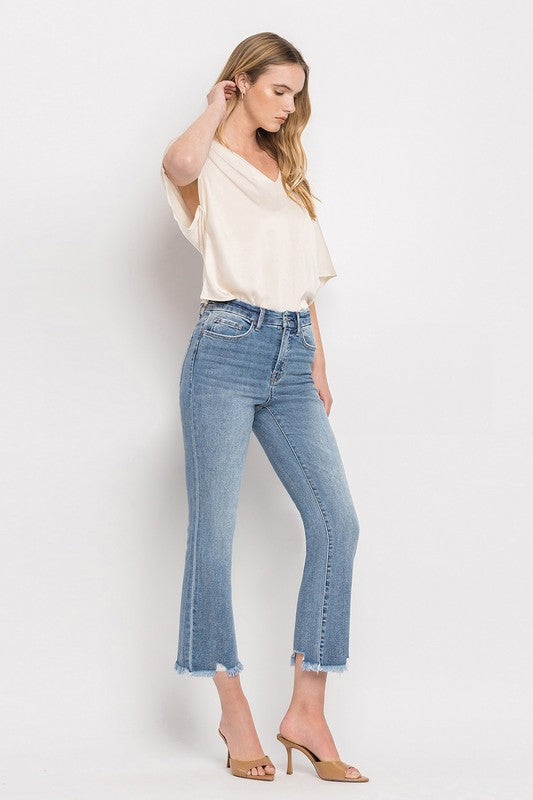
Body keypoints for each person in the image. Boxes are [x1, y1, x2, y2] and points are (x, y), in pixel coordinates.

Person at [160, 32, 368, 784]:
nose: (289, 105)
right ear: (239, 84)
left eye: (295, 93)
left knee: (335, 522)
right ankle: (232, 703)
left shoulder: (286, 170)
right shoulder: (207, 158)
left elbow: (304, 282)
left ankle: (306, 709)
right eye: (277, 89)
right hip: (223, 347)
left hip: (287, 354)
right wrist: (212, 106)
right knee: (214, 533)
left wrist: (314, 360)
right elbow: (176, 165)